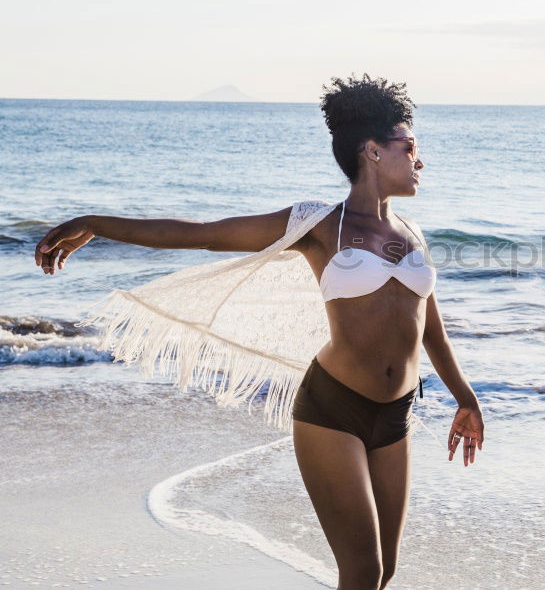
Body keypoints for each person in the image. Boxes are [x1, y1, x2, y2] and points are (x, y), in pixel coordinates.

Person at [33, 73, 486, 590]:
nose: (419, 160)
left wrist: (465, 399)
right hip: (334, 409)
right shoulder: (318, 224)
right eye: (410, 147)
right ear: (373, 152)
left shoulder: (412, 233)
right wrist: (96, 222)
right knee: (360, 572)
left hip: (398, 415)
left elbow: (431, 329)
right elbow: (202, 236)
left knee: (384, 572)